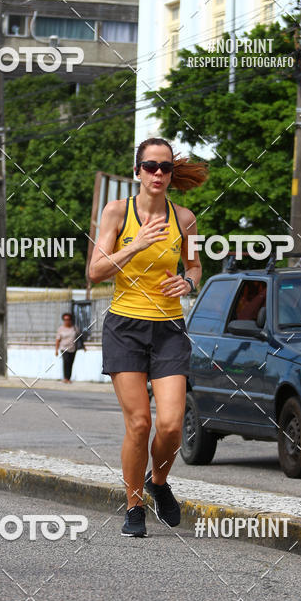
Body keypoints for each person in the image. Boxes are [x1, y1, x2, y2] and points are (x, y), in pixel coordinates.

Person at [89, 138, 208, 537]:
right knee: (140, 424)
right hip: (125, 326)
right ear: (137, 170)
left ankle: (159, 483)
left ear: (172, 174)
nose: (159, 173)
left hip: (170, 328)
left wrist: (187, 284)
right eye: (151, 166)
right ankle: (134, 506)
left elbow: (195, 266)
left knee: (172, 425)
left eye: (166, 168)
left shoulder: (185, 219)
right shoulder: (117, 213)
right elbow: (95, 272)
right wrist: (135, 245)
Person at [55, 312, 83, 383]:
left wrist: (83, 346)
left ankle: (68, 378)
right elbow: (58, 340)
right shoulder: (60, 329)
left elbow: (80, 337)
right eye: (65, 319)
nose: (67, 321)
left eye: (68, 319)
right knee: (66, 361)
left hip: (73, 348)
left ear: (71, 320)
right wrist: (56, 350)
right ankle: (65, 378)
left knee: (71, 363)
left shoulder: (75, 328)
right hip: (63, 348)